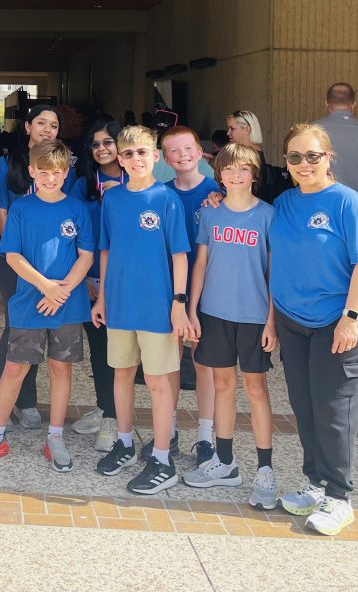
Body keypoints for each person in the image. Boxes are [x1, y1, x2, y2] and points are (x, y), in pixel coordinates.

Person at [270, 122, 358, 536]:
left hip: (341, 321)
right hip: (295, 322)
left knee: (335, 411)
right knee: (305, 405)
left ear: (329, 157)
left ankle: (340, 496)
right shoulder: (283, 202)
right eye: (295, 157)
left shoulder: (349, 204)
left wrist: (350, 319)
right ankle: (315, 483)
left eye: (312, 155)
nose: (304, 164)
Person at [0, 140, 94, 471]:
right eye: (44, 172)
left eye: (58, 173)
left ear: (67, 173)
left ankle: (56, 436)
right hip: (29, 302)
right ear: (32, 171)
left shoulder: (77, 208)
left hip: (67, 303)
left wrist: (60, 292)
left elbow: (86, 255)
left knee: (61, 368)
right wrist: (46, 287)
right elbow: (12, 255)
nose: (51, 179)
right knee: (15, 367)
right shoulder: (21, 208)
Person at [92, 125, 191, 494]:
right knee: (121, 373)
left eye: (142, 153)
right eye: (128, 154)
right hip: (119, 302)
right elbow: (105, 249)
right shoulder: (112, 199)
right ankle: (125, 442)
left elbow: (179, 255)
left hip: (156, 306)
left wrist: (178, 304)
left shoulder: (166, 199)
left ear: (156, 157)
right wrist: (101, 297)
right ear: (120, 159)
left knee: (157, 381)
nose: (135, 159)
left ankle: (163, 459)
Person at [183, 144, 277, 508]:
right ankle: (224, 462)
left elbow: (273, 273)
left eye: (244, 170)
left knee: (256, 390)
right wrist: (192, 311)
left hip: (254, 317)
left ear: (255, 174)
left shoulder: (268, 215)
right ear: (218, 175)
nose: (236, 176)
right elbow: (201, 265)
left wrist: (272, 321)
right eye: (229, 170)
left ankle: (265, 469)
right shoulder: (211, 213)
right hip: (214, 313)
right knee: (222, 384)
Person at [0, 105, 75, 429]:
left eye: (54, 124)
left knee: (42, 323)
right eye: (41, 123)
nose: (47, 129)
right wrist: (22, 257)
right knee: (18, 326)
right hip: (16, 260)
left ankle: (26, 400)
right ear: (27, 127)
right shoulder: (6, 164)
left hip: (52, 263)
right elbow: (1, 211)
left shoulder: (67, 166)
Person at [160, 126, 221, 467]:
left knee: (204, 363)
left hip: (207, 292)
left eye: (188, 148)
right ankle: (167, 430)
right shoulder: (160, 193)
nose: (182, 155)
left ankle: (205, 435)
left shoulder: (217, 192)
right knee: (167, 362)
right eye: (174, 151)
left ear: (200, 152)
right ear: (165, 159)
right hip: (167, 291)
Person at [69, 120, 123, 452]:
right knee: (100, 350)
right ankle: (106, 410)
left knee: (123, 351)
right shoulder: (83, 185)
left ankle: (117, 416)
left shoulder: (138, 180)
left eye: (108, 142)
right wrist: (89, 276)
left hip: (129, 279)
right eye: (96, 144)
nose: (102, 149)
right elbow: (79, 234)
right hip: (93, 280)